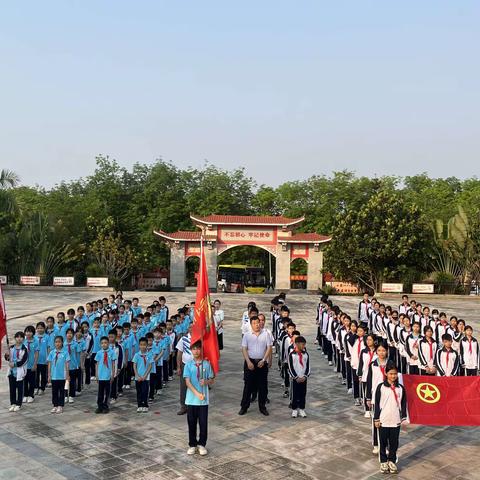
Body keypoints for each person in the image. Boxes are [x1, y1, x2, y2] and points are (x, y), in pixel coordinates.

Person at [373, 363, 407, 474]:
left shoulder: (400, 388)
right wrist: (376, 418)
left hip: (395, 419)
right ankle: (383, 461)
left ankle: (392, 460)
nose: (393, 376)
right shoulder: (381, 387)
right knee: (382, 442)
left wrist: (403, 417)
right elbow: (377, 404)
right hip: (383, 419)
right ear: (386, 373)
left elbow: (403, 403)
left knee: (394, 442)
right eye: (391, 374)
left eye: (395, 374)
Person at [184, 340, 215, 455]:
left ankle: (202, 444)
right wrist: (197, 394)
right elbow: (187, 382)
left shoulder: (206, 364)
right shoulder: (188, 365)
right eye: (194, 349)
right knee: (191, 423)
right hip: (192, 399)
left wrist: (206, 381)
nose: (196, 351)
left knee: (203, 423)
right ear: (191, 350)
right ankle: (192, 444)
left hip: (203, 401)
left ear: (201, 350)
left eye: (198, 348)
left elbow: (212, 379)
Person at [239, 315, 273, 416]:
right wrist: (248, 361)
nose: (257, 325)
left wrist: (264, 360)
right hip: (250, 362)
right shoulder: (247, 335)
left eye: (258, 322)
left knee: (263, 385)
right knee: (248, 385)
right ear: (251, 324)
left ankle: (262, 407)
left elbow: (269, 347)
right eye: (254, 323)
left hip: (262, 363)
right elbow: (244, 349)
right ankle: (244, 406)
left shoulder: (266, 334)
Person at [288, 336, 310, 418]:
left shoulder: (305, 354)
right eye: (302, 344)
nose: (304, 346)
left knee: (303, 393)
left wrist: (305, 376)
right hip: (295, 379)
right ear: (296, 344)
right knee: (295, 394)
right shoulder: (292, 355)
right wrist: (296, 377)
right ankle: (294, 409)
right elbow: (290, 367)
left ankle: (301, 409)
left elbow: (308, 366)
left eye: (304, 344)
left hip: (303, 378)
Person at [5, 331, 28, 412]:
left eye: (21, 337)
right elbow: (8, 358)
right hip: (11, 372)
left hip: (19, 371)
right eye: (17, 337)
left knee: (20, 389)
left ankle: (19, 404)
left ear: (23, 338)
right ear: (15, 338)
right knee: (12, 389)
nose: (19, 339)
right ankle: (13, 403)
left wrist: (14, 364)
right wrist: (7, 355)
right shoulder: (11, 348)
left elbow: (24, 361)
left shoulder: (24, 349)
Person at [47, 335, 70, 414]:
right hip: (54, 376)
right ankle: (55, 405)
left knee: (62, 391)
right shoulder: (52, 352)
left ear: (62, 343)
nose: (57, 343)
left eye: (59, 342)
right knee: (54, 391)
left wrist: (67, 375)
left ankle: (60, 405)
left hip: (62, 376)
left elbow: (67, 364)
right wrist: (49, 375)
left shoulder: (65, 352)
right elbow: (49, 364)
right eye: (56, 342)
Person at [94, 336, 116, 413]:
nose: (104, 344)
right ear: (100, 344)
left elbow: (113, 364)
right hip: (100, 376)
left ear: (108, 343)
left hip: (108, 376)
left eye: (105, 343)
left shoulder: (112, 352)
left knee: (107, 392)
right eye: (102, 343)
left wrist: (113, 374)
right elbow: (96, 364)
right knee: (100, 392)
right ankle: (100, 406)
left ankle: (106, 406)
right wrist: (96, 375)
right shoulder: (99, 353)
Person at [133, 337, 154, 412]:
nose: (143, 346)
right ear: (139, 345)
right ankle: (139, 405)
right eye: (141, 345)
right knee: (139, 391)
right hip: (137, 377)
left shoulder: (149, 355)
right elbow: (134, 365)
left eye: (144, 345)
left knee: (145, 391)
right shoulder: (136, 355)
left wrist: (145, 375)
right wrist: (137, 375)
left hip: (146, 377)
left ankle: (145, 404)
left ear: (147, 345)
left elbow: (150, 366)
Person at [176, 324, 193, 415]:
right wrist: (178, 367)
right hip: (185, 365)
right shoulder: (183, 339)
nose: (192, 328)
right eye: (190, 327)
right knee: (183, 386)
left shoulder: (200, 338)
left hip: (195, 366)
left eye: (194, 326)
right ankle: (183, 406)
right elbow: (179, 353)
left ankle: (193, 406)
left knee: (195, 385)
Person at [23, 325, 39, 403]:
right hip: (24, 365)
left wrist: (35, 364)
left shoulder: (36, 341)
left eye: (30, 332)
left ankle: (31, 395)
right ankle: (25, 395)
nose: (28, 333)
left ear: (33, 333)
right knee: (24, 381)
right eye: (27, 331)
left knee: (32, 381)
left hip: (31, 364)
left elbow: (36, 353)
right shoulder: (23, 341)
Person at [34, 321, 49, 396]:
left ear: (44, 328)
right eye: (38, 328)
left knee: (43, 375)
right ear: (36, 329)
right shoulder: (34, 337)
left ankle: (42, 388)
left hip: (44, 359)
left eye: (41, 328)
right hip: (36, 360)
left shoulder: (47, 337)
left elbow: (48, 347)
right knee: (36, 375)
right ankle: (36, 387)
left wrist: (48, 357)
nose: (40, 329)